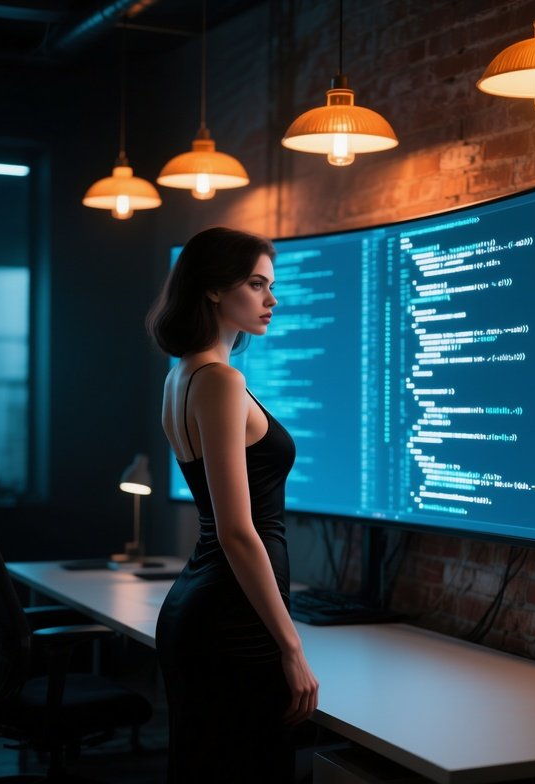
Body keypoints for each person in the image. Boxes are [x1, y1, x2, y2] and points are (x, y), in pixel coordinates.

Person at [146, 227, 318, 783]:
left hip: (207, 605)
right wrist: (291, 646)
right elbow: (237, 532)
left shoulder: (181, 375)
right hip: (231, 618)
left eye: (271, 286)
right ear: (215, 289)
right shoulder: (219, 380)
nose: (272, 300)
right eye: (256, 284)